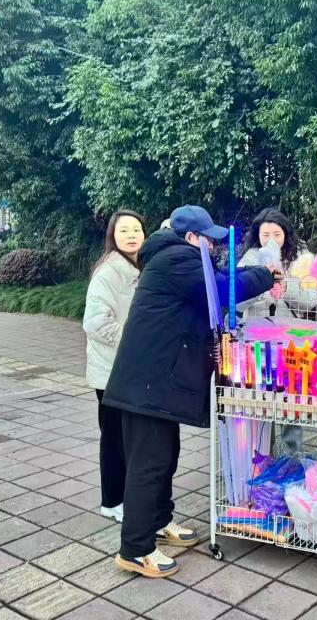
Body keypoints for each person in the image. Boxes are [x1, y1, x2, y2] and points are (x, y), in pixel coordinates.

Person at [103, 205, 281, 578]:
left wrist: (255, 273)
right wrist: (264, 274)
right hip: (147, 385)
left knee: (165, 457)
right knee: (149, 464)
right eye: (208, 240)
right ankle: (135, 549)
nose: (213, 246)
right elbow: (222, 289)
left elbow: (222, 279)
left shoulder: (178, 259)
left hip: (156, 384)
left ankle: (158, 522)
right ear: (190, 238)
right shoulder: (177, 260)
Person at [83, 211, 146, 524]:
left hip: (128, 369)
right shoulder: (109, 272)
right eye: (124, 230)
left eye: (136, 229)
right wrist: (136, 339)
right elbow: (95, 323)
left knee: (127, 438)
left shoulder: (139, 268)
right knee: (113, 438)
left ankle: (122, 497)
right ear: (113, 235)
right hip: (109, 371)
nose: (131, 235)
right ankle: (112, 500)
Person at [237, 207, 317, 319]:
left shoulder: (301, 256)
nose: (272, 240)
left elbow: (311, 301)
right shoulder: (251, 257)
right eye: (265, 235)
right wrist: (259, 284)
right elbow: (237, 304)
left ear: (285, 233)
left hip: (289, 327)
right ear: (258, 235)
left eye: (277, 234)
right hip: (256, 327)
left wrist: (286, 287)